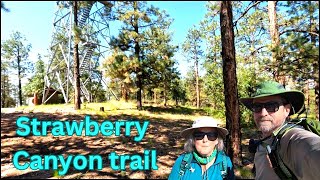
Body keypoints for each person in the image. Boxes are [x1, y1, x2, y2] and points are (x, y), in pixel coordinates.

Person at [240, 81, 320, 180]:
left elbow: (312, 147)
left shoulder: (293, 139)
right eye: (257, 107)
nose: (263, 113)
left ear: (287, 110)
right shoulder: (264, 140)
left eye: (271, 106)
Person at [168, 116, 235, 180]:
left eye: (211, 135)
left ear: (217, 140)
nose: (205, 140)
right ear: (193, 140)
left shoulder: (225, 162)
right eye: (199, 135)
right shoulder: (182, 161)